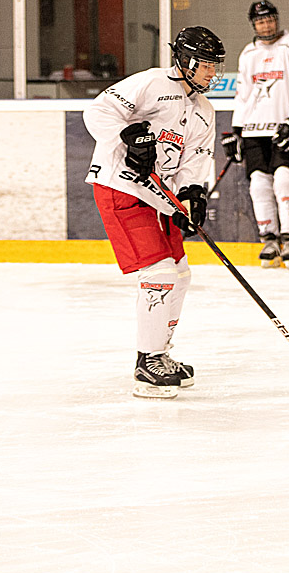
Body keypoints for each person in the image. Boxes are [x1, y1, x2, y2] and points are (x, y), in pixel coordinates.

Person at [83, 26, 226, 398]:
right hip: (122, 187)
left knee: (180, 272)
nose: (212, 73)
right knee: (160, 272)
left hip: (159, 198)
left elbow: (194, 161)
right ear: (185, 60)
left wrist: (191, 197)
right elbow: (99, 110)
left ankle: (159, 353)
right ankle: (147, 362)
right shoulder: (151, 83)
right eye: (206, 65)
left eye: (215, 66)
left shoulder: (205, 111)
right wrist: (128, 136)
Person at [224, 0, 289, 271]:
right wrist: (236, 130)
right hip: (254, 129)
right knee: (258, 185)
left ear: (277, 19)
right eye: (261, 21)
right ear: (254, 24)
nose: (266, 25)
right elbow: (243, 94)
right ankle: (269, 239)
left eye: (270, 19)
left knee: (286, 181)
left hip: (285, 126)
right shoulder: (248, 53)